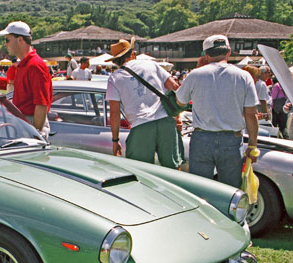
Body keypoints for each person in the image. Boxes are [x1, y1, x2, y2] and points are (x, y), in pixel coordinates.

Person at [176, 35, 259, 188]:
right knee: (230, 189)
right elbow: (251, 114)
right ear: (228, 51)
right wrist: (252, 145)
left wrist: (197, 68)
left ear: (206, 55)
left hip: (202, 138)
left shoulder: (195, 75)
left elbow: (180, 101)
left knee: (200, 188)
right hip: (231, 140)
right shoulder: (244, 76)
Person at [106, 37, 182, 169]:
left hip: (140, 125)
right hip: (165, 121)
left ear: (115, 61)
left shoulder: (114, 78)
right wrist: (177, 117)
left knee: (141, 172)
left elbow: (114, 112)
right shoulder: (151, 64)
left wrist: (115, 140)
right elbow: (175, 88)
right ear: (132, 54)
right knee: (173, 169)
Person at [0, 21, 52, 139]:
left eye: (7, 40)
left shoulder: (35, 65)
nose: (5, 44)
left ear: (20, 40)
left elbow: (41, 104)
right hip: (24, 122)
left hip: (31, 123)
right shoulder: (23, 64)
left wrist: (35, 135)